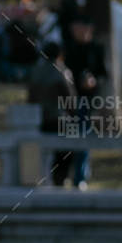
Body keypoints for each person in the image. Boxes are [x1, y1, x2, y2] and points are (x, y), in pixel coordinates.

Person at [61, 15, 106, 190]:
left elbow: (103, 74)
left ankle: (80, 177)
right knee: (69, 138)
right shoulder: (67, 48)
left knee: (84, 137)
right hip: (68, 101)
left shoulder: (97, 48)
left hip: (87, 101)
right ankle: (64, 174)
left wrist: (93, 82)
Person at [27, 42, 76, 186]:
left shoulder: (35, 71)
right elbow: (70, 101)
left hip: (38, 120)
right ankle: (60, 179)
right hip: (59, 120)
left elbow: (30, 98)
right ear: (60, 55)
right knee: (67, 150)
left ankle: (38, 180)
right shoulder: (62, 72)